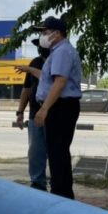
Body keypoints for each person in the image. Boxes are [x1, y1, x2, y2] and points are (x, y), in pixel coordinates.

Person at [33, 16, 82, 199]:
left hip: (60, 107)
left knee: (58, 152)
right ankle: (61, 194)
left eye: (45, 32)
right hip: (60, 106)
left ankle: (61, 196)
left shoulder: (62, 52)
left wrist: (44, 109)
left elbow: (60, 82)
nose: (43, 36)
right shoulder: (59, 51)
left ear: (57, 33)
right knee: (57, 152)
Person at [15, 38, 49, 191]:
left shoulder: (58, 61)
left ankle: (58, 185)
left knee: (55, 151)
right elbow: (27, 89)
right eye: (38, 46)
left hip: (55, 114)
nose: (40, 48)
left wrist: (30, 70)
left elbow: (49, 79)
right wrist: (20, 111)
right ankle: (38, 183)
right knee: (35, 151)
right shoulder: (35, 62)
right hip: (35, 114)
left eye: (41, 45)